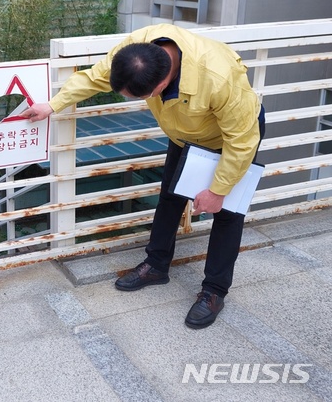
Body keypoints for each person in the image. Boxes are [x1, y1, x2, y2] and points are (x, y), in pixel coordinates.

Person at [20, 24, 265, 329]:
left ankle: (214, 291)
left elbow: (242, 140)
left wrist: (218, 189)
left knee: (226, 213)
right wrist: (52, 104)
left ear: (162, 82)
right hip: (184, 137)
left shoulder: (218, 76)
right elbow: (94, 76)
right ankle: (157, 266)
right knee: (169, 198)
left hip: (231, 140)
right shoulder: (137, 50)